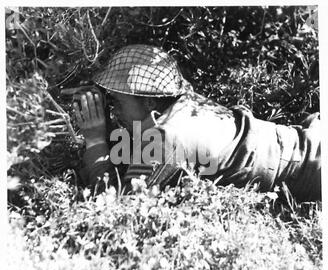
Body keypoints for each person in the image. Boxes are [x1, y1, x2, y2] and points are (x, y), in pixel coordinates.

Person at [72, 44, 321, 202]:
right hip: (308, 140)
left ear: (149, 103)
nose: (113, 110)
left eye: (117, 101)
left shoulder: (165, 138)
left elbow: (116, 209)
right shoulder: (183, 101)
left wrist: (95, 139)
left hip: (313, 170)